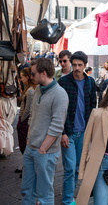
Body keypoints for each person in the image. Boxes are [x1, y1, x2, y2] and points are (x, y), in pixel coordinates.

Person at [21, 58, 68, 205]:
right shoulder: (38, 90)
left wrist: (43, 148)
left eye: (33, 73)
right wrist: (29, 139)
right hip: (31, 148)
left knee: (44, 194)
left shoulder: (60, 94)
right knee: (26, 190)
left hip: (45, 152)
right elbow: (32, 116)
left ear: (43, 73)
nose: (31, 76)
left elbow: (57, 125)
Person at [58, 51, 97, 205]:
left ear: (85, 65)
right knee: (69, 168)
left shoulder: (90, 82)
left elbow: (93, 105)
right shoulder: (63, 82)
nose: (76, 68)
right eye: (74, 65)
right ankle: (67, 200)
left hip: (84, 132)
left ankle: (70, 197)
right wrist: (62, 133)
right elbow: (59, 110)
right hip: (68, 131)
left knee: (76, 168)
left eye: (80, 65)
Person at [16, 67, 37, 174]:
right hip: (24, 119)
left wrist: (21, 121)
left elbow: (28, 109)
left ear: (27, 77)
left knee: (24, 143)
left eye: (22, 77)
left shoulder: (30, 91)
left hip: (24, 120)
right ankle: (26, 164)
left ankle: (27, 166)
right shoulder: (29, 90)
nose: (21, 79)